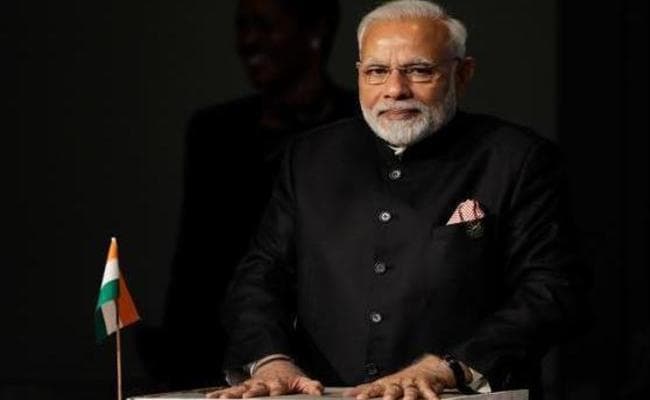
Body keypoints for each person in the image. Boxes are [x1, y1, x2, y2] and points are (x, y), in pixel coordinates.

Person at [208, 1, 582, 399]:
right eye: (376, 71)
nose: (395, 90)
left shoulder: (516, 159)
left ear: (462, 74)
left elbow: (553, 290)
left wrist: (449, 366)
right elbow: (260, 277)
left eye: (419, 71)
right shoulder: (309, 158)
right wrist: (270, 361)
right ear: (359, 74)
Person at [137, 0, 358, 390]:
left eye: (266, 25)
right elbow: (195, 258)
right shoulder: (215, 131)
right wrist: (175, 360)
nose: (248, 39)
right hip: (222, 349)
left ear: (316, 31)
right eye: (242, 25)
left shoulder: (358, 123)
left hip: (334, 351)